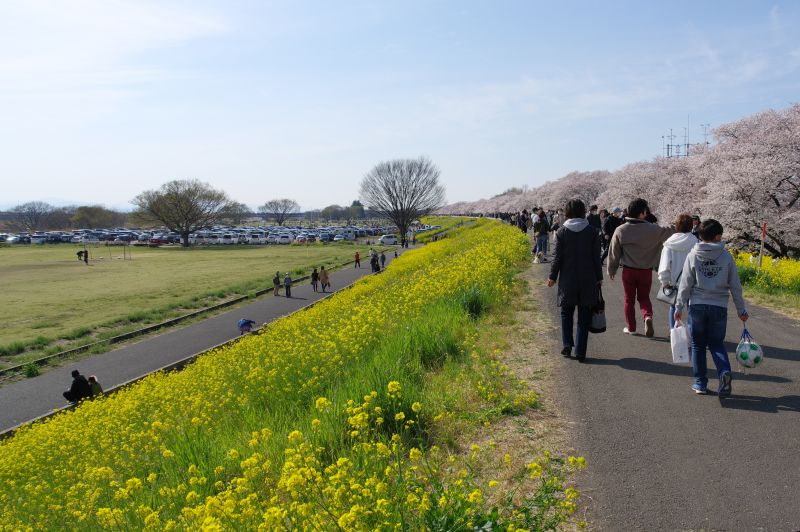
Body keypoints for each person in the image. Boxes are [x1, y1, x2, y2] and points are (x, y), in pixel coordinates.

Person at [674, 219, 748, 396]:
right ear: (718, 236)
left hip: (698, 305)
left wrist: (678, 306)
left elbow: (685, 283)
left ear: (701, 236)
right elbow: (735, 285)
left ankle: (700, 383)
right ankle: (724, 372)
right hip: (719, 306)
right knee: (716, 344)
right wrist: (741, 309)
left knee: (698, 345)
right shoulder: (726, 256)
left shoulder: (693, 255)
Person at [607, 198, 674, 337]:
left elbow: (614, 251)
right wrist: (680, 224)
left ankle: (631, 328)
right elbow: (670, 231)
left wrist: (611, 269)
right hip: (645, 271)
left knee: (628, 300)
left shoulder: (621, 230)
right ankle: (647, 316)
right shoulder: (653, 229)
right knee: (644, 298)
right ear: (642, 213)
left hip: (628, 270)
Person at [547, 199, 603, 362]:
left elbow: (557, 258)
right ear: (583, 211)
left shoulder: (561, 232)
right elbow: (596, 259)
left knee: (566, 313)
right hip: (588, 279)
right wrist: (599, 278)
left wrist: (552, 276)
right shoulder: (592, 232)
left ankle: (566, 344)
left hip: (567, 280)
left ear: (567, 213)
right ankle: (580, 351)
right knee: (584, 316)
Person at [658, 214, 698, 329]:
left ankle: (674, 334)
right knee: (692, 309)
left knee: (674, 308)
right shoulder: (696, 243)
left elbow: (664, 267)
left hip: (674, 283)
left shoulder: (669, 244)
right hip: (693, 282)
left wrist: (665, 282)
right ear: (691, 226)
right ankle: (692, 336)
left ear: (677, 226)